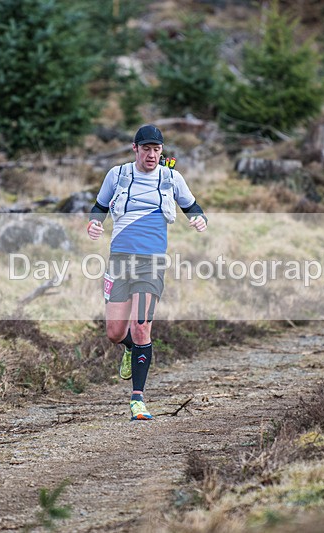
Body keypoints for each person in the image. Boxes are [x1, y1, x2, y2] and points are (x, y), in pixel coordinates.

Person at [87, 124, 207, 420]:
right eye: (146, 149)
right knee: (115, 333)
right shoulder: (118, 175)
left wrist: (199, 220)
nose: (152, 155)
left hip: (151, 261)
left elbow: (192, 205)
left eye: (157, 149)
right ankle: (128, 349)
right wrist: (94, 223)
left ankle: (137, 399)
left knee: (142, 327)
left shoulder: (171, 177)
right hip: (120, 260)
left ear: (161, 151)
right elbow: (99, 206)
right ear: (135, 149)